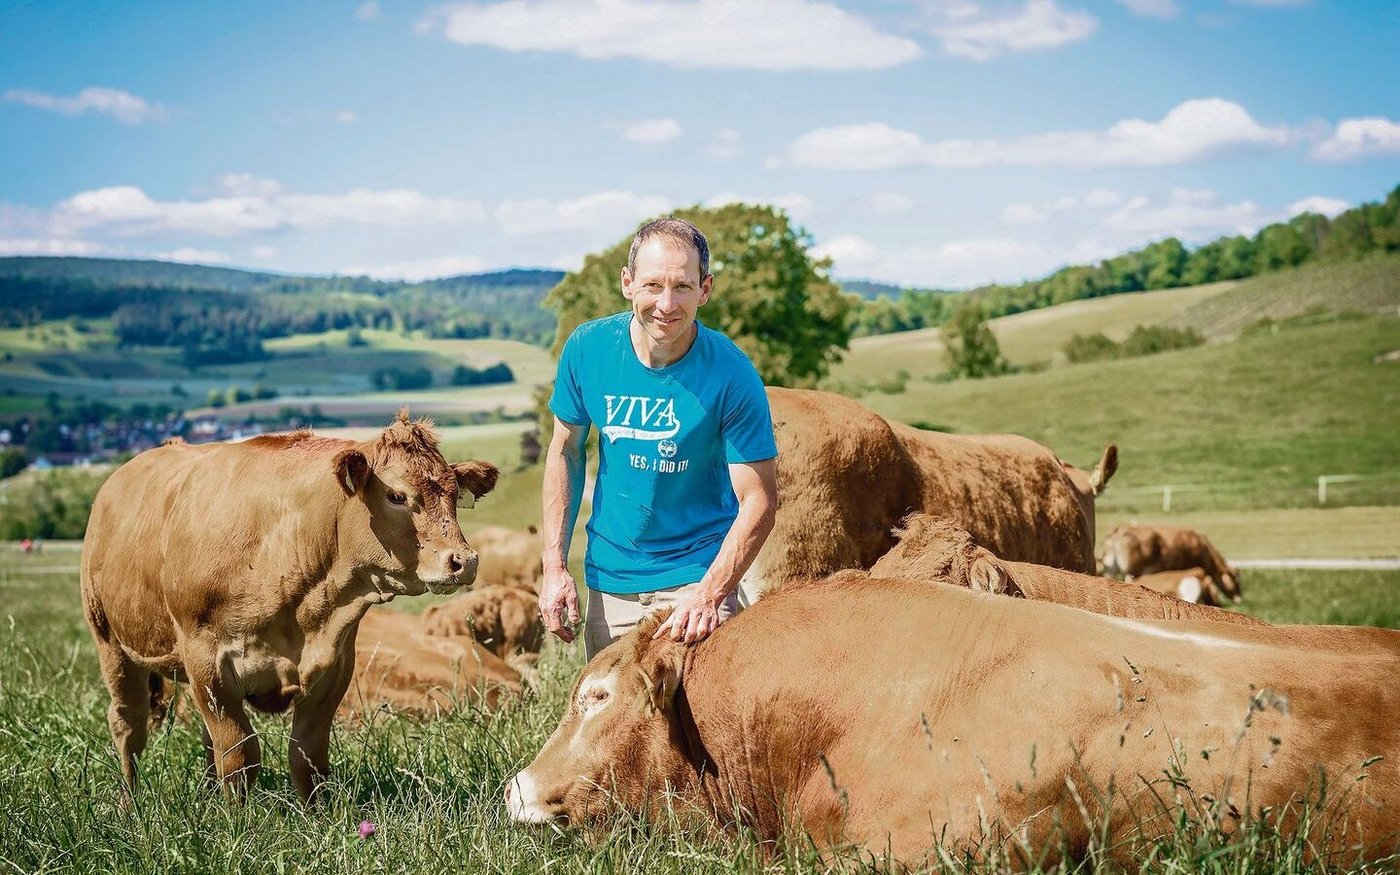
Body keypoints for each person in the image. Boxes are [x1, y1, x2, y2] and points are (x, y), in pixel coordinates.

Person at [539, 217, 778, 657]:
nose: (666, 304)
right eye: (652, 285)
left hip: (698, 581)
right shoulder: (587, 349)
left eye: (682, 286)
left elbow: (759, 500)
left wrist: (709, 594)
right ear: (627, 283)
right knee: (613, 705)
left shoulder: (733, 374)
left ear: (705, 289)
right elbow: (565, 451)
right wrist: (554, 566)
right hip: (610, 583)